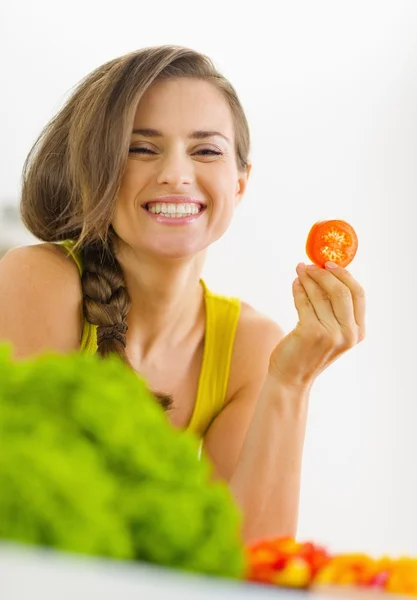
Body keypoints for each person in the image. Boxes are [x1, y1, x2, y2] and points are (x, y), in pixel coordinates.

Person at [0, 45, 366, 544]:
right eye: (141, 148)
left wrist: (292, 381)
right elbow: (34, 521)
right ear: (97, 170)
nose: (176, 173)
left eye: (207, 150)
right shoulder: (36, 281)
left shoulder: (249, 346)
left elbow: (248, 563)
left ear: (239, 185)